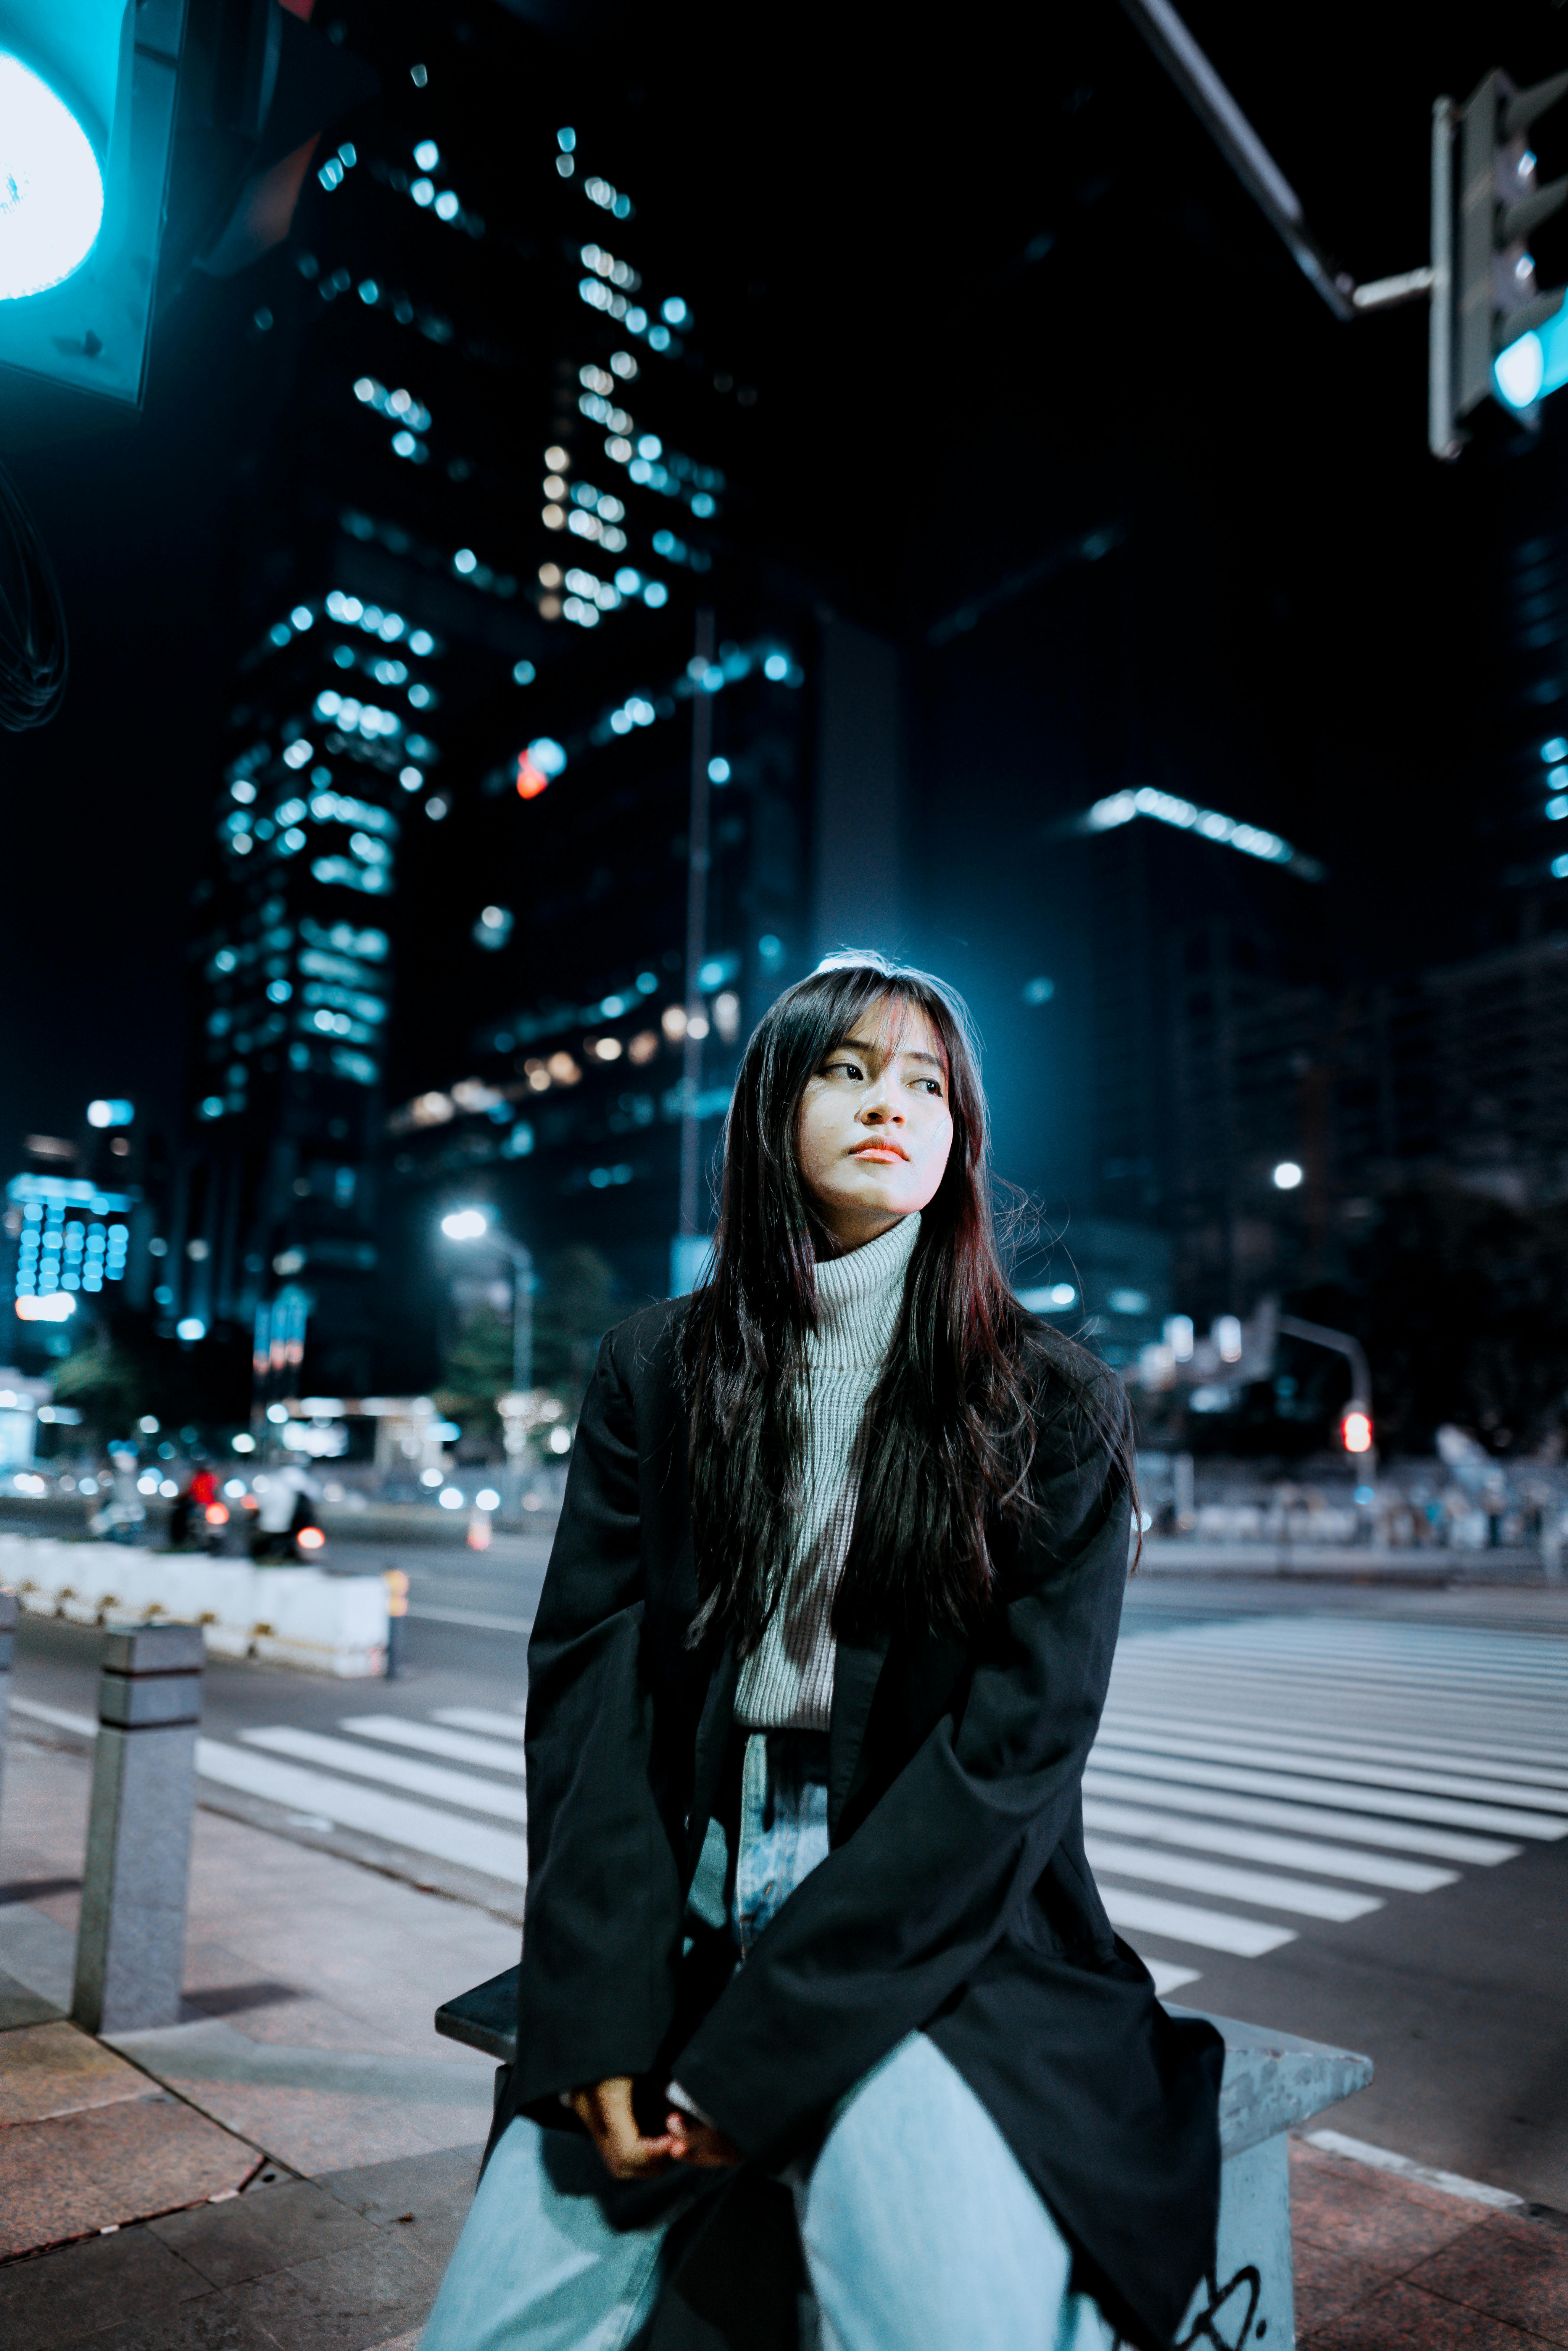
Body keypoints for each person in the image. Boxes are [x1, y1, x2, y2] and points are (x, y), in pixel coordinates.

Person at [421, 955, 1222, 2351]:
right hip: (690, 1887)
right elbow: (592, 1704)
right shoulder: (655, 1371)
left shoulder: (1048, 1399)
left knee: (937, 2313)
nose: (887, 1106)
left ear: (959, 1138)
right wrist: (604, 2020)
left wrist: (753, 2064)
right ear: (769, 1109)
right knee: (499, 2325)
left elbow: (1008, 1763)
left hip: (938, 1926)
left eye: (925, 1085)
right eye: (845, 1071)